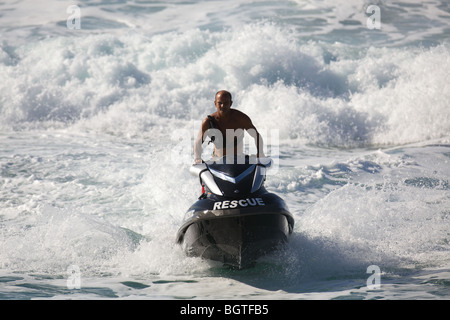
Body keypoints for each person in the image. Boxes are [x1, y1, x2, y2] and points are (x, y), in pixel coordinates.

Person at [193, 90, 265, 164]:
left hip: (239, 160)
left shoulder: (241, 119)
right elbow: (198, 142)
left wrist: (260, 153)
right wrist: (197, 158)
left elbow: (256, 136)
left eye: (226, 103)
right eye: (220, 103)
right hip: (218, 161)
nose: (223, 106)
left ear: (231, 103)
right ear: (215, 103)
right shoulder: (208, 122)